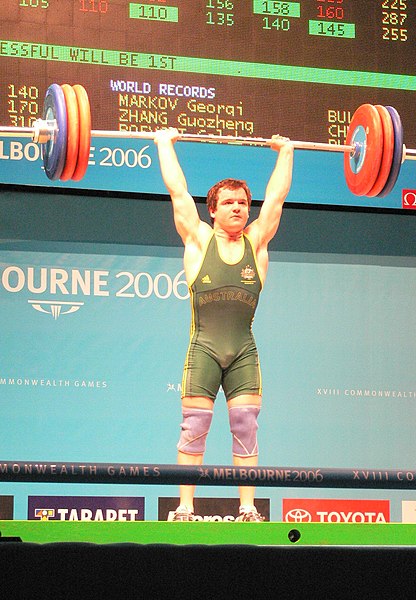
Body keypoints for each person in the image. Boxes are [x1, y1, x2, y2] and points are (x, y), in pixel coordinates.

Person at [154, 128, 294, 522]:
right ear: (212, 209)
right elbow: (179, 192)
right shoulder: (198, 240)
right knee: (194, 426)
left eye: (243, 202)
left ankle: (247, 508)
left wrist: (286, 151)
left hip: (243, 351)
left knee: (246, 425)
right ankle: (184, 507)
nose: (238, 207)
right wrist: (164, 145)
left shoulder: (258, 243)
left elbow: (278, 197)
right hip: (204, 350)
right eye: (229, 202)